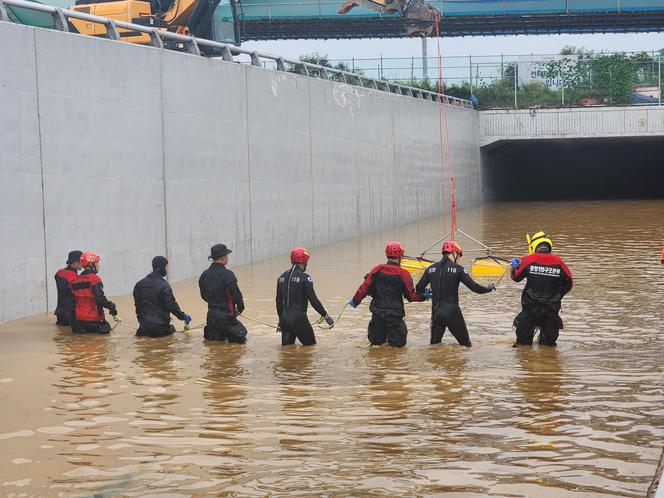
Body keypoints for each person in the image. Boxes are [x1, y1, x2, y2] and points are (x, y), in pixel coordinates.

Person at [415, 241, 495, 347]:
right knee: (466, 346)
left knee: (434, 348)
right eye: (459, 256)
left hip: (436, 314)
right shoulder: (458, 269)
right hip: (452, 313)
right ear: (454, 253)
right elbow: (475, 288)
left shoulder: (430, 268)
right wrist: (488, 288)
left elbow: (418, 288)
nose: (459, 259)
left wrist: (428, 293)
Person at [348, 241, 425, 348]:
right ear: (401, 256)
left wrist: (355, 301)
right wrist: (424, 296)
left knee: (375, 348)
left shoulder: (377, 269)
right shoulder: (404, 274)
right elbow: (411, 297)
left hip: (377, 317)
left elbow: (364, 288)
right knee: (398, 351)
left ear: (386, 254)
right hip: (394, 318)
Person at [510, 231, 573, 347]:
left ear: (534, 246)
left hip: (530, 309)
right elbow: (569, 282)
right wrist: (558, 295)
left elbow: (516, 277)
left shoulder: (528, 260)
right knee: (549, 347)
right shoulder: (559, 262)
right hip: (550, 310)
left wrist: (514, 267)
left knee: (522, 346)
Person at [276, 247, 334, 346]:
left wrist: (281, 320)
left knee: (287, 354)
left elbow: (278, 302)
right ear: (304, 261)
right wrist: (326, 316)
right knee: (310, 350)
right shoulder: (305, 278)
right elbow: (313, 300)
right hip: (299, 319)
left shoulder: (281, 277)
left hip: (285, 319)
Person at [198, 244, 247, 343]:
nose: (227, 258)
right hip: (226, 318)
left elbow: (203, 296)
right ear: (222, 258)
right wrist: (240, 309)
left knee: (215, 348)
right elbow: (237, 296)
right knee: (241, 342)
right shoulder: (228, 275)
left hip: (211, 318)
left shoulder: (204, 275)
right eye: (227, 256)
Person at [133, 256, 191, 338]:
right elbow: (171, 305)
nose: (168, 270)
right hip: (161, 329)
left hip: (143, 328)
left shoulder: (139, 285)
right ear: (162, 267)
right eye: (167, 267)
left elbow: (138, 306)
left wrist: (143, 322)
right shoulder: (164, 286)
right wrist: (183, 316)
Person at [69, 252, 118, 334]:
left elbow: (72, 303)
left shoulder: (74, 280)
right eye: (97, 263)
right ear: (91, 265)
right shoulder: (94, 279)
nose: (98, 266)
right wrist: (111, 307)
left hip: (79, 321)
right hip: (95, 320)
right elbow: (100, 298)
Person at [54, 250, 83, 325]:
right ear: (75, 263)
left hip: (60, 313)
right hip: (71, 314)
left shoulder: (59, 273)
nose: (83, 264)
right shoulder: (75, 277)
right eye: (81, 261)